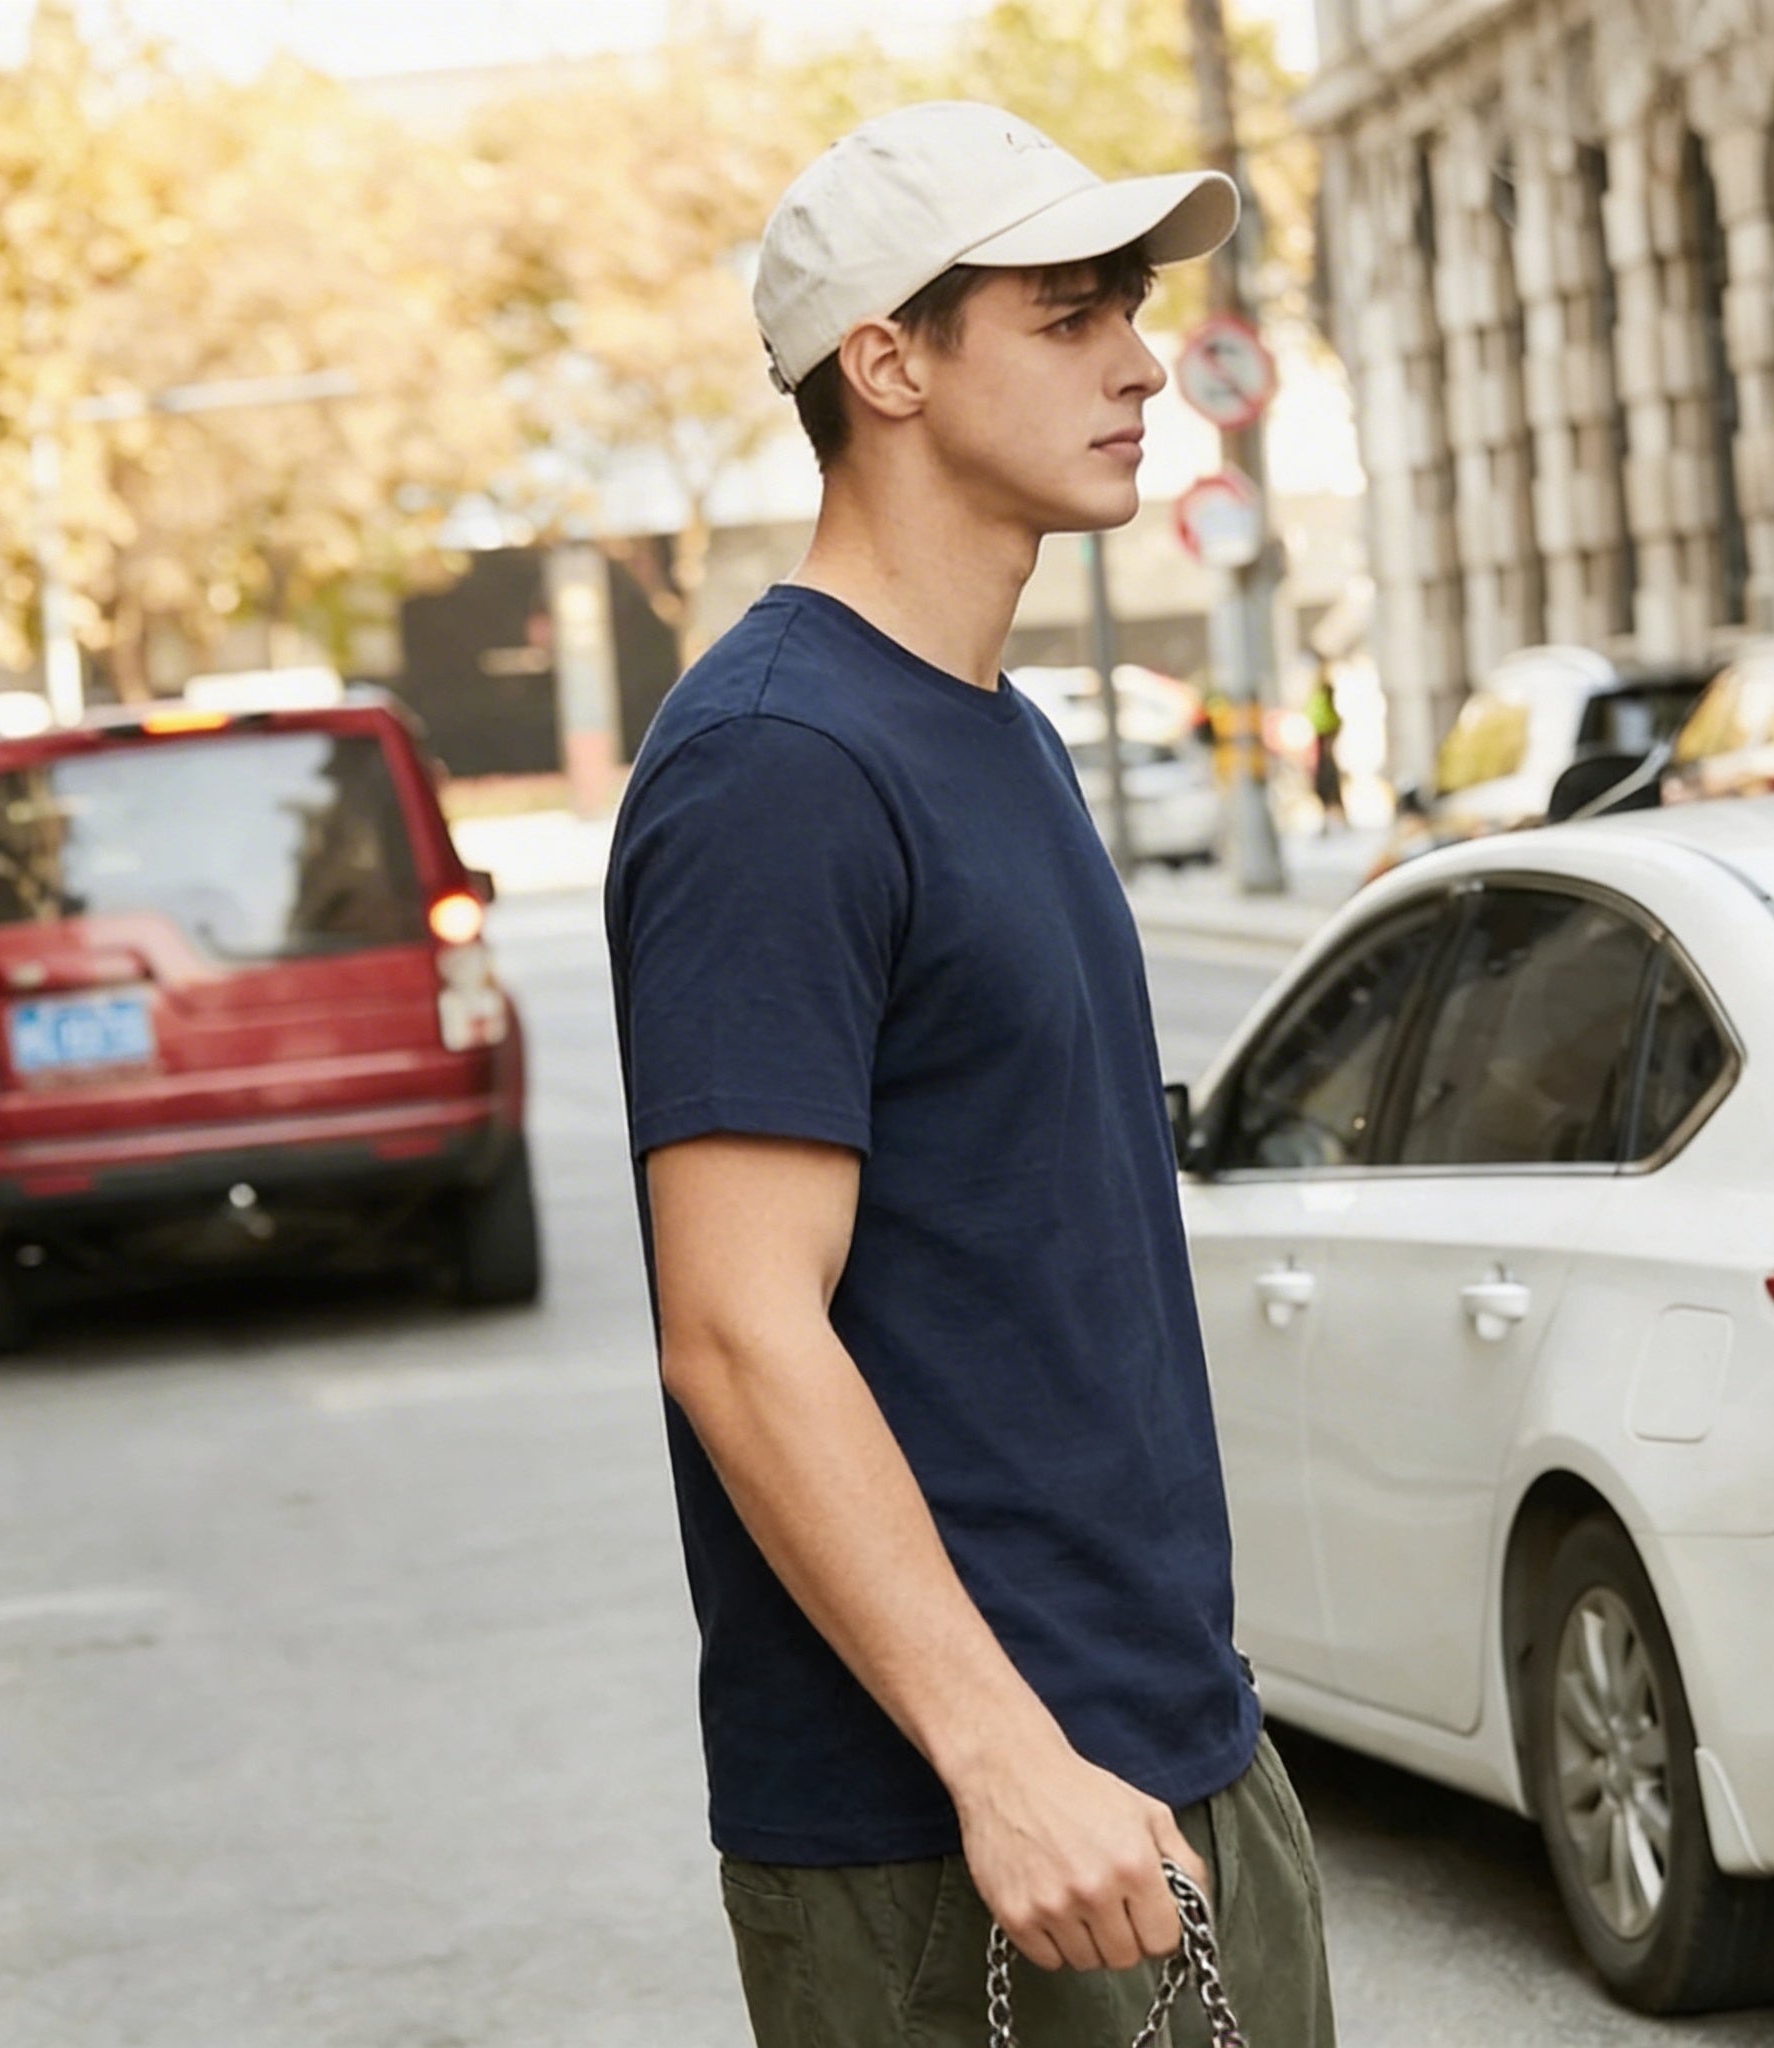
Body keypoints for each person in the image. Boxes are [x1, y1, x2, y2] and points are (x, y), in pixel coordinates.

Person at [605, 102, 1334, 2048]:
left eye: (1133, 308)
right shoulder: (776, 766)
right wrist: (1003, 1759)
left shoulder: (992, 734)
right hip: (952, 1832)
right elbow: (741, 1329)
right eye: (1071, 310)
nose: (1143, 357)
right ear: (889, 360)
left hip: (1162, 1745)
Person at [1306, 660, 1346, 833]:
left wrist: (1331, 736)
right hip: (1319, 739)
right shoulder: (1318, 692)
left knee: (1328, 782)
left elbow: (1333, 717)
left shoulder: (1327, 691)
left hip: (1325, 739)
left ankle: (1338, 819)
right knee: (1322, 784)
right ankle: (1329, 820)